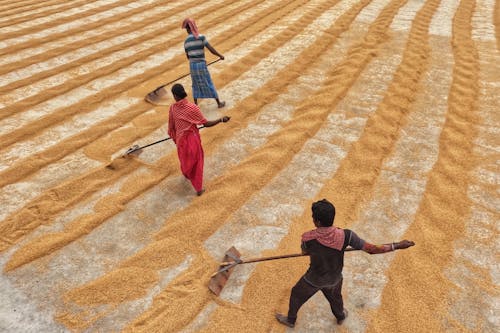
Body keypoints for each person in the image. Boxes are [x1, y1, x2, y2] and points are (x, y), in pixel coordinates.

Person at [275, 199, 415, 328]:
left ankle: (291, 320)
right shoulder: (347, 235)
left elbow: (305, 252)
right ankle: (340, 316)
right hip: (335, 278)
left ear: (317, 222)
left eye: (313, 217)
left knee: (296, 294)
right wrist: (396, 245)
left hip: (314, 279)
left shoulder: (308, 238)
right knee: (335, 298)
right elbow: (372, 249)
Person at [168, 83, 230, 196]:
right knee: (197, 162)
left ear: (175, 96)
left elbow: (172, 126)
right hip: (192, 140)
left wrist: (176, 135)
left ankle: (187, 174)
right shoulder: (193, 108)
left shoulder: (172, 108)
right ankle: (198, 189)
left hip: (181, 141)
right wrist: (221, 119)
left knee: (184, 158)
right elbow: (206, 123)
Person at [182, 18, 226, 108]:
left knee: (195, 84)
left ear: (188, 29)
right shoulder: (201, 37)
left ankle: (195, 105)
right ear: (194, 27)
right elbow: (211, 49)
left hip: (193, 66)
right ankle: (219, 103)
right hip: (201, 65)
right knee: (208, 82)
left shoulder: (186, 42)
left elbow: (188, 56)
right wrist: (220, 56)